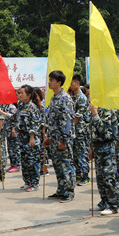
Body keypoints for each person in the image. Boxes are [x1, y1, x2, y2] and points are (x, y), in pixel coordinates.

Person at [43, 70, 76, 203]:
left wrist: (63, 139)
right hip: (55, 138)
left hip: (63, 139)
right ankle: (61, 190)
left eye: (52, 80)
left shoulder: (65, 98)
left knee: (66, 165)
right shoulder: (54, 98)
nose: (49, 82)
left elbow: (67, 121)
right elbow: (52, 120)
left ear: (59, 82)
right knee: (58, 166)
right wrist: (49, 137)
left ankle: (69, 192)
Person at [89, 103, 119, 215]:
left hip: (106, 147)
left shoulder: (107, 109)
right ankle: (104, 201)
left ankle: (113, 205)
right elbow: (92, 131)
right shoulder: (95, 107)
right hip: (97, 147)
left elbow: (103, 130)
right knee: (100, 177)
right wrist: (91, 148)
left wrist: (95, 114)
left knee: (109, 177)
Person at [16, 85, 41, 191]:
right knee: (24, 161)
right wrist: (2, 113)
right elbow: (14, 118)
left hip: (30, 137)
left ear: (29, 95)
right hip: (22, 137)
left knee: (32, 161)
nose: (20, 95)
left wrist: (32, 138)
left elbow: (35, 124)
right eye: (19, 93)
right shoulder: (21, 106)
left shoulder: (32, 107)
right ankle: (27, 182)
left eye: (22, 93)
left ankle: (35, 183)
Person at [70, 75, 91, 186]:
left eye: (71, 83)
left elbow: (77, 117)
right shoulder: (74, 97)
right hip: (75, 131)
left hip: (81, 131)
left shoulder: (81, 98)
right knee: (75, 154)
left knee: (82, 154)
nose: (70, 86)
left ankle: (85, 177)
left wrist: (69, 128)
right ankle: (78, 175)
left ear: (77, 83)